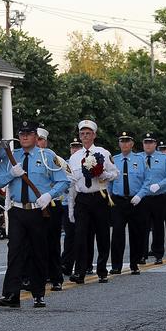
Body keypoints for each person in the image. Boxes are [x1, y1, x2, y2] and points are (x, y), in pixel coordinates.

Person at [0, 120, 69, 308]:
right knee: (15, 252)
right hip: (18, 210)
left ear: (36, 137)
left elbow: (63, 181)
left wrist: (48, 195)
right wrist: (11, 173)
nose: (25, 137)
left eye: (29, 133)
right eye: (22, 134)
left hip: (38, 210)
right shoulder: (12, 156)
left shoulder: (47, 156)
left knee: (38, 251)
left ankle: (38, 293)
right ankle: (11, 294)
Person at [67, 120, 118, 284]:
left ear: (94, 135)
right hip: (82, 198)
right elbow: (72, 184)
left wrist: (103, 175)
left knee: (102, 234)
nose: (85, 136)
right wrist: (71, 207)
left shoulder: (103, 153)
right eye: (82, 134)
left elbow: (115, 173)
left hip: (99, 196)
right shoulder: (74, 158)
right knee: (80, 235)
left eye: (88, 133)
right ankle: (80, 271)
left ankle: (102, 270)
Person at [109, 131, 150, 275]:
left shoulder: (140, 160)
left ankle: (134, 264)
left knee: (136, 233)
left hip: (136, 201)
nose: (125, 144)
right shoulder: (113, 160)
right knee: (117, 234)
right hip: (119, 201)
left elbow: (148, 180)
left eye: (127, 141)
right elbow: (109, 181)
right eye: (122, 141)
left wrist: (140, 195)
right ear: (119, 143)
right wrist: (110, 198)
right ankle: (116, 265)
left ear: (132, 144)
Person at [34, 127, 67, 292]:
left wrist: (52, 189)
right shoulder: (27, 157)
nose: (38, 142)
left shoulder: (54, 158)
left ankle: (56, 277)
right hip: (32, 206)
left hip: (51, 205)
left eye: (40, 139)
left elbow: (68, 178)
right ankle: (32, 276)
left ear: (45, 141)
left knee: (52, 243)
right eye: (36, 138)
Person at [140, 133, 166, 265]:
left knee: (158, 226)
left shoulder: (164, 158)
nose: (148, 145)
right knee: (142, 226)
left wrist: (160, 185)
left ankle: (158, 253)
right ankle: (142, 254)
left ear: (155, 144)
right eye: (146, 142)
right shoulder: (138, 158)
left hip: (159, 196)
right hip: (143, 197)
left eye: (151, 142)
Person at [61, 138, 82, 277]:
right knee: (69, 235)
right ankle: (66, 264)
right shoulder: (64, 164)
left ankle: (81, 263)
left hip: (79, 202)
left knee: (79, 235)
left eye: (77, 147)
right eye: (73, 147)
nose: (75, 149)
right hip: (65, 203)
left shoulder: (84, 163)